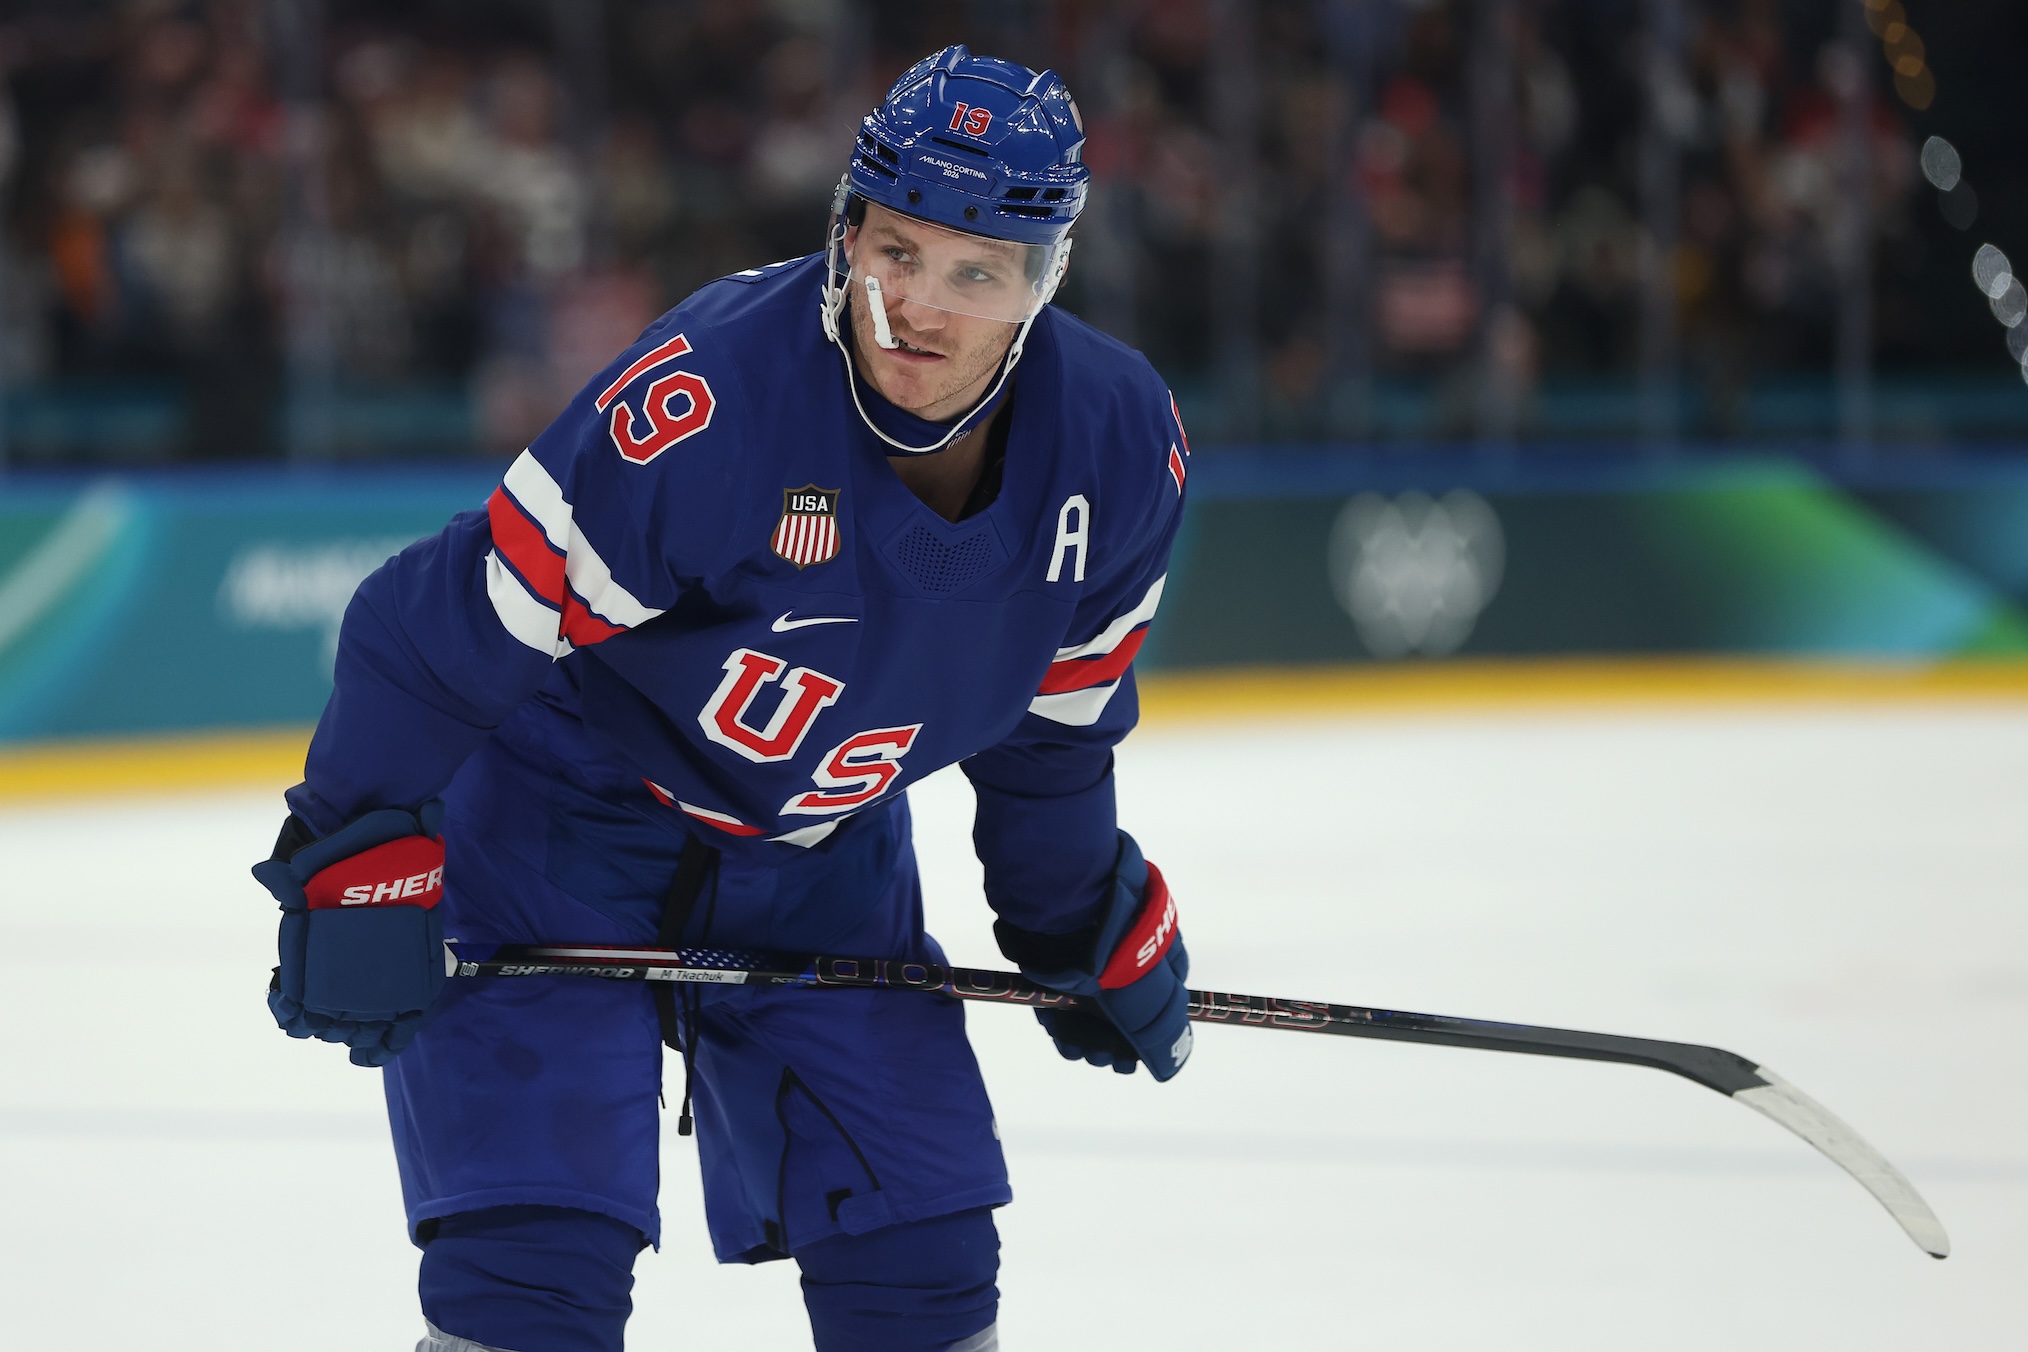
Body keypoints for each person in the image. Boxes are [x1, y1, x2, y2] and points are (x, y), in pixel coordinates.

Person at [253, 46, 1196, 1352]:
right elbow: (427, 629)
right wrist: (357, 845)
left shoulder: (1120, 449)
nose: (919, 307)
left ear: (1045, 279)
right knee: (532, 1273)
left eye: (977, 272)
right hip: (558, 823)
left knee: (922, 1260)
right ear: (844, 233)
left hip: (820, 856)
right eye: (896, 249)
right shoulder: (709, 408)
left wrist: (1076, 912)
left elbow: (1053, 735)